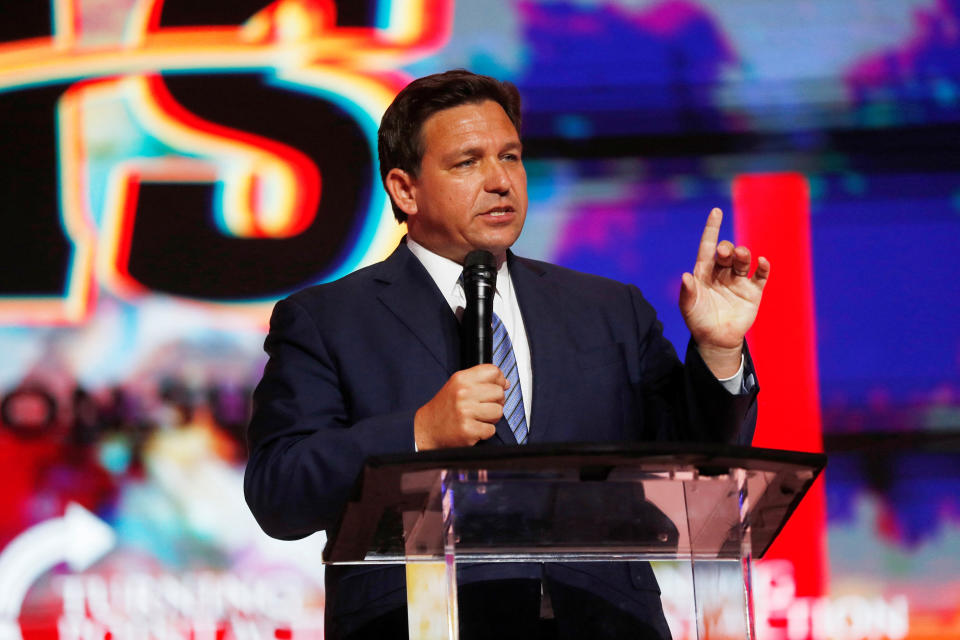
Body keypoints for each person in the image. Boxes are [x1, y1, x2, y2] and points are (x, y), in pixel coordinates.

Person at [244, 69, 769, 639]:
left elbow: (702, 467)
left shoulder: (607, 307)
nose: (500, 181)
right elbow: (279, 492)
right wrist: (417, 433)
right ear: (404, 189)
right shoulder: (329, 319)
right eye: (467, 162)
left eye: (511, 157)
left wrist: (720, 353)